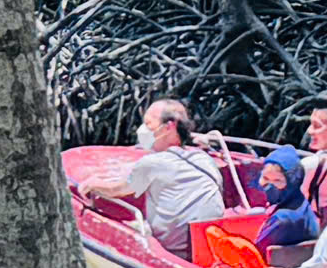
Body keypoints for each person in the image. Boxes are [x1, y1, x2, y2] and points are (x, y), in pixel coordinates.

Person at [77, 99, 227, 257]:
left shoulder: (153, 163)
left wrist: (93, 184)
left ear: (169, 127)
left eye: (148, 124)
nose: (142, 130)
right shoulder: (204, 159)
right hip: (209, 247)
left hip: (174, 252)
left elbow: (117, 190)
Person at [251, 145, 321, 251]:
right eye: (265, 178)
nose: (269, 187)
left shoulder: (281, 219)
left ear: (292, 183)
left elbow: (254, 252)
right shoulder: (302, 204)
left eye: (277, 181)